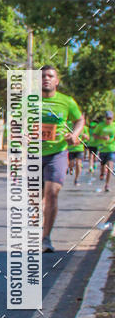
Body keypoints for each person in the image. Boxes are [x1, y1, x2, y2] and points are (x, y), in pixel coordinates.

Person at [41, 65, 84, 253]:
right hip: (33, 155)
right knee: (35, 198)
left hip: (58, 153)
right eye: (42, 76)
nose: (46, 79)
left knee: (52, 193)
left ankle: (46, 238)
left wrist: (75, 134)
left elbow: (79, 119)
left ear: (56, 81)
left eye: (50, 76)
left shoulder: (67, 102)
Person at [92, 111, 115, 192]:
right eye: (107, 118)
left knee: (110, 167)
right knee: (103, 165)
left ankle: (107, 185)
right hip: (102, 149)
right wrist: (101, 137)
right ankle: (102, 173)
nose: (109, 120)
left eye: (110, 119)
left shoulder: (114, 126)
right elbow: (94, 135)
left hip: (112, 149)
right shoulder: (100, 125)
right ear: (105, 118)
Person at [67, 122, 88, 186]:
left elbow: (88, 138)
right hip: (71, 149)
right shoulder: (68, 125)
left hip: (79, 149)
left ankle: (76, 179)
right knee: (71, 164)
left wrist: (85, 136)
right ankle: (70, 168)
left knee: (78, 164)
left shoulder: (83, 127)